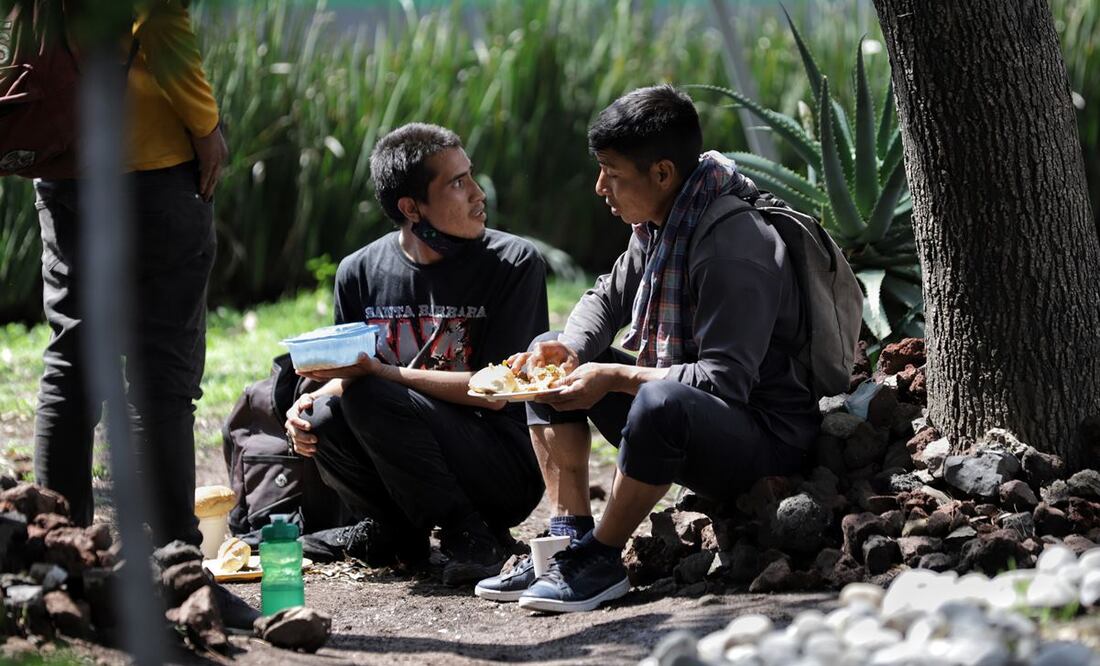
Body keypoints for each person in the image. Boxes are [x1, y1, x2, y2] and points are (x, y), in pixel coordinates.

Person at [474, 85, 820, 612]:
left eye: (612, 174)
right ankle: (566, 540)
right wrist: (567, 350)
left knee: (658, 402)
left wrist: (614, 379)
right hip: (704, 415)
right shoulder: (664, 224)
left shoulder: (733, 245)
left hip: (765, 437)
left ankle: (601, 559)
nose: (599, 187)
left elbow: (723, 381)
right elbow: (605, 296)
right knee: (547, 357)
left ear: (662, 173)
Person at [284, 123, 549, 585]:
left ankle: (474, 534)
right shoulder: (359, 272)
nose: (478, 193)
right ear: (411, 208)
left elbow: (500, 395)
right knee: (322, 414)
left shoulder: (513, 264)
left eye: (471, 176)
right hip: (403, 448)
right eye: (457, 183)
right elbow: (355, 373)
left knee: (369, 393)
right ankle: (392, 532)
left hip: (501, 466)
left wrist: (383, 373)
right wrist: (306, 402)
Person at [33, 0, 228, 547]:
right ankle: (176, 558)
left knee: (74, 353)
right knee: (161, 369)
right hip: (151, 164)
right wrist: (205, 123)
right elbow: (160, 20)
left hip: (66, 152)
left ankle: (59, 548)